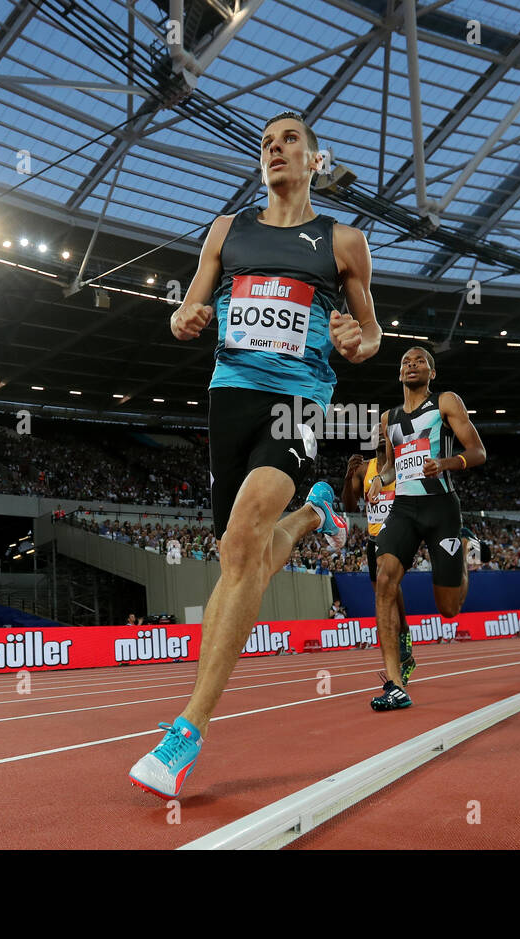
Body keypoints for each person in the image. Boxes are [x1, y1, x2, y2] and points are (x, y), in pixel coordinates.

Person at [128, 111, 381, 799]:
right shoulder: (225, 231)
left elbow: (370, 335)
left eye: (288, 140)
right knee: (237, 556)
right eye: (267, 144)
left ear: (315, 158)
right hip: (229, 396)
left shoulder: (343, 241)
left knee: (241, 541)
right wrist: (183, 318)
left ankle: (187, 730)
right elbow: (186, 310)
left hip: (297, 400)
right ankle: (310, 518)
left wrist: (357, 340)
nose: (275, 149)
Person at [367, 346, 485, 711]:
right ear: (399, 373)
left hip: (441, 508)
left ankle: (462, 551)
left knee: (448, 609)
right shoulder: (389, 418)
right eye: (405, 361)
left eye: (420, 361)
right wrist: (379, 480)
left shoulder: (446, 403)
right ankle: (395, 684)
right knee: (385, 577)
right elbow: (391, 464)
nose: (411, 364)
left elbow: (478, 451)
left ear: (432, 373)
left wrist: (445, 463)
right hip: (404, 507)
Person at [342, 441, 416, 684]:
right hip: (374, 538)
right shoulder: (365, 469)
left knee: (389, 586)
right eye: (378, 438)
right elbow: (350, 506)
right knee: (384, 598)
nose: (382, 442)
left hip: (396, 534)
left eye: (386, 438)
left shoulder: (401, 467)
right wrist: (348, 477)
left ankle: (403, 637)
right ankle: (403, 653)